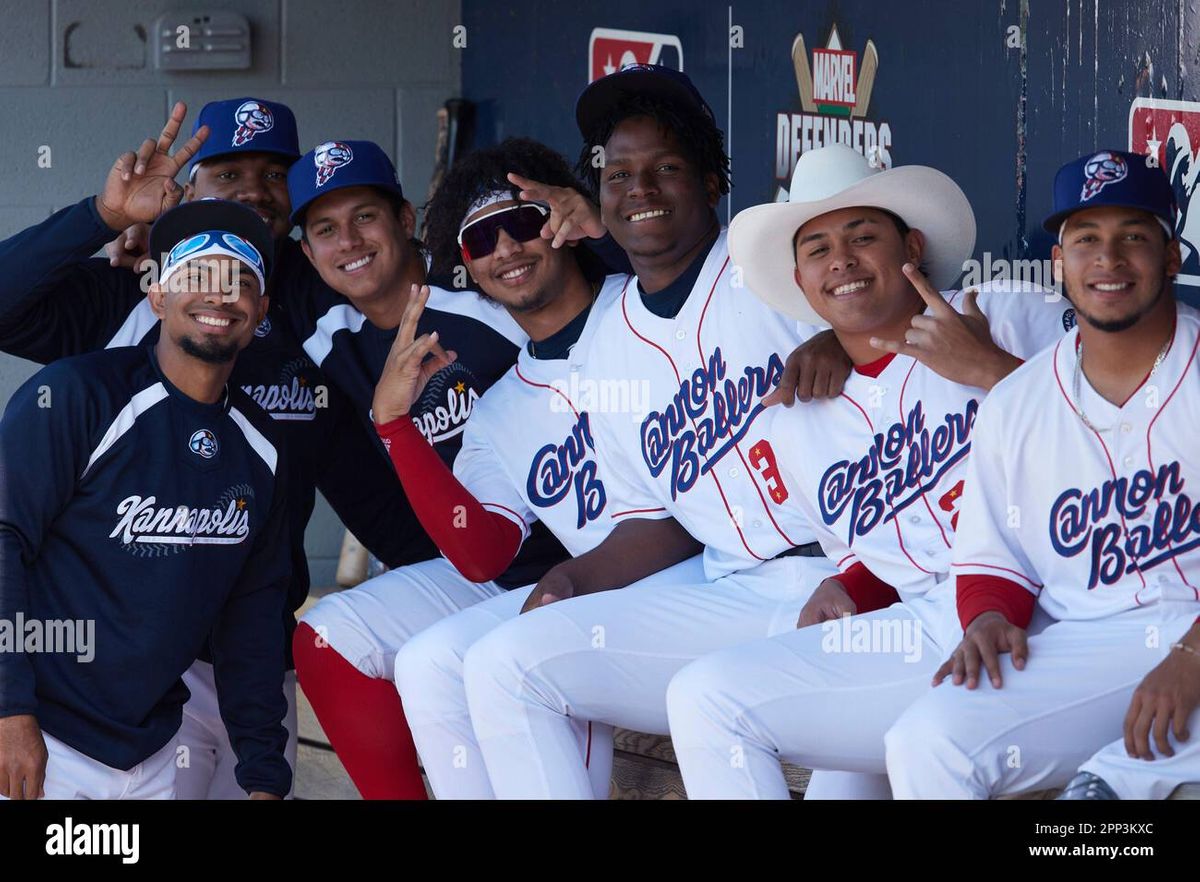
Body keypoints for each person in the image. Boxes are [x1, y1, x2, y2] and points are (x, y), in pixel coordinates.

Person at [0, 98, 433, 799]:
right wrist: (102, 220)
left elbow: (365, 493)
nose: (254, 192)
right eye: (228, 174)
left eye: (271, 174)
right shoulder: (124, 302)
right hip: (89, 684)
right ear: (187, 190)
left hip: (249, 659)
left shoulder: (311, 306)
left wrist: (481, 577)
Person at [455, 64, 858, 798]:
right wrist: (573, 578)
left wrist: (849, 338)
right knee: (504, 663)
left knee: (809, 749)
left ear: (710, 183)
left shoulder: (771, 262)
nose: (639, 189)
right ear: (597, 199)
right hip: (735, 584)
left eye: (666, 168)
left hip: (850, 571)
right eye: (619, 174)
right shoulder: (608, 341)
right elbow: (655, 518)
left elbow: (916, 316)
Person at [661, 143, 1072, 799]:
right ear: (799, 281)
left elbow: (1136, 435)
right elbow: (886, 553)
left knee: (723, 704)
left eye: (863, 236)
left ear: (911, 247)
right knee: (708, 697)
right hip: (928, 625)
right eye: (817, 249)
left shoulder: (1005, 314)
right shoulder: (799, 418)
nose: (842, 260)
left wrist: (992, 372)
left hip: (1051, 609)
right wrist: (849, 585)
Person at [883, 150, 1200, 799]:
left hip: (1192, 626)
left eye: (1133, 238)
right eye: (1085, 240)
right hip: (1089, 646)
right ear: (1059, 264)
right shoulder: (1017, 400)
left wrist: (1192, 659)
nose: (1107, 260)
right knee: (925, 742)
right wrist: (991, 618)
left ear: (1172, 258)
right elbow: (994, 560)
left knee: (1101, 801)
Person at [285, 138, 577, 798]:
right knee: (328, 640)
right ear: (307, 254)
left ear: (406, 220)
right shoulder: (327, 336)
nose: (348, 242)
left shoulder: (489, 296)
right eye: (324, 230)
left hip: (580, 563)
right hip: (481, 564)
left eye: (364, 216)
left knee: (450, 667)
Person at [0, 200, 291, 800]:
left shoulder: (261, 447)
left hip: (150, 754)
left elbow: (251, 617)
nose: (219, 295)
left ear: (260, 310)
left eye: (239, 281)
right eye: (196, 276)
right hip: (39, 739)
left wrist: (264, 773)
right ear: (157, 295)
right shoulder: (77, 393)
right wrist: (8, 712)